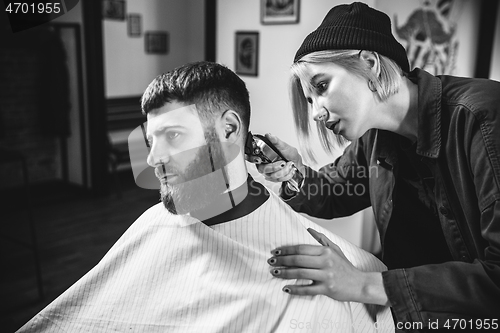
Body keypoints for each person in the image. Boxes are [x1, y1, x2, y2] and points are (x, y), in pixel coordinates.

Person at [17, 61, 394, 332]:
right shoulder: (154, 224)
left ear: (230, 130)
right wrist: (297, 176)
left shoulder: (330, 265)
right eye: (151, 140)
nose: (152, 160)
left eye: (174, 136)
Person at [259, 1, 500, 329]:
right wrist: (294, 172)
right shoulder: (374, 137)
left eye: (321, 86)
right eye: (310, 100)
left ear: (370, 64)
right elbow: (336, 190)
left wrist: (360, 284)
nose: (315, 113)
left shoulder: (484, 118)